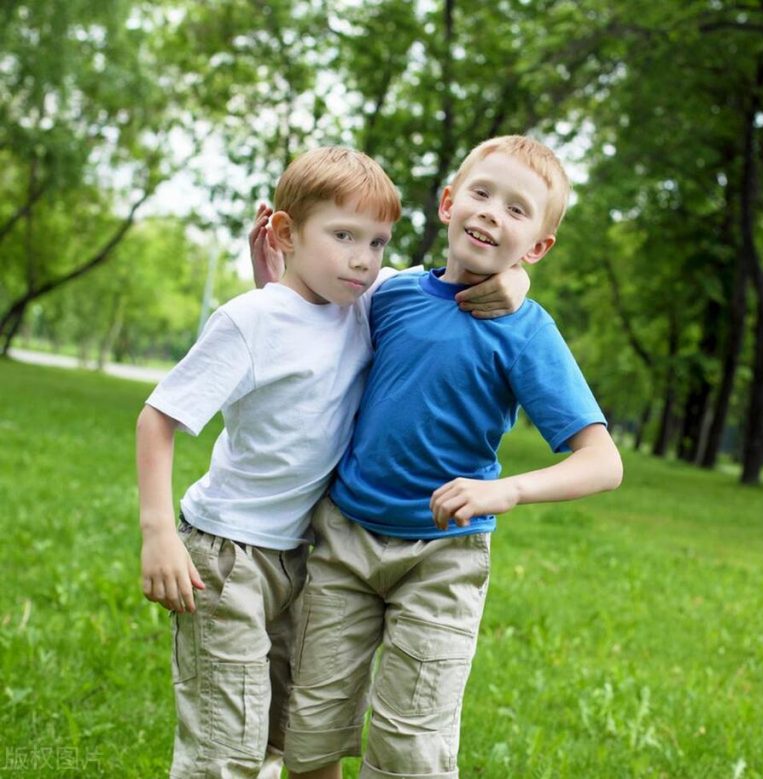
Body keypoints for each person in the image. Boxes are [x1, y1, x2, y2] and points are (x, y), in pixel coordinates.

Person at [136, 146, 528, 779]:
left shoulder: (364, 305)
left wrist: (514, 278)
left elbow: (441, 282)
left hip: (306, 554)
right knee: (224, 742)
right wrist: (157, 533)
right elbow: (158, 419)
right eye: (344, 236)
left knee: (285, 731)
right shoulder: (247, 320)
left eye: (377, 242)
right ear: (288, 233)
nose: (362, 258)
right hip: (226, 553)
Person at [261, 135, 624, 779]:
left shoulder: (526, 331)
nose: (491, 213)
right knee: (311, 733)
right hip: (343, 541)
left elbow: (602, 462)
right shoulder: (390, 293)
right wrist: (269, 269)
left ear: (538, 246)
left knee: (410, 747)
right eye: (482, 194)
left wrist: (504, 491)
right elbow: (310, 324)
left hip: (443, 557)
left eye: (518, 211)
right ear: (449, 202)